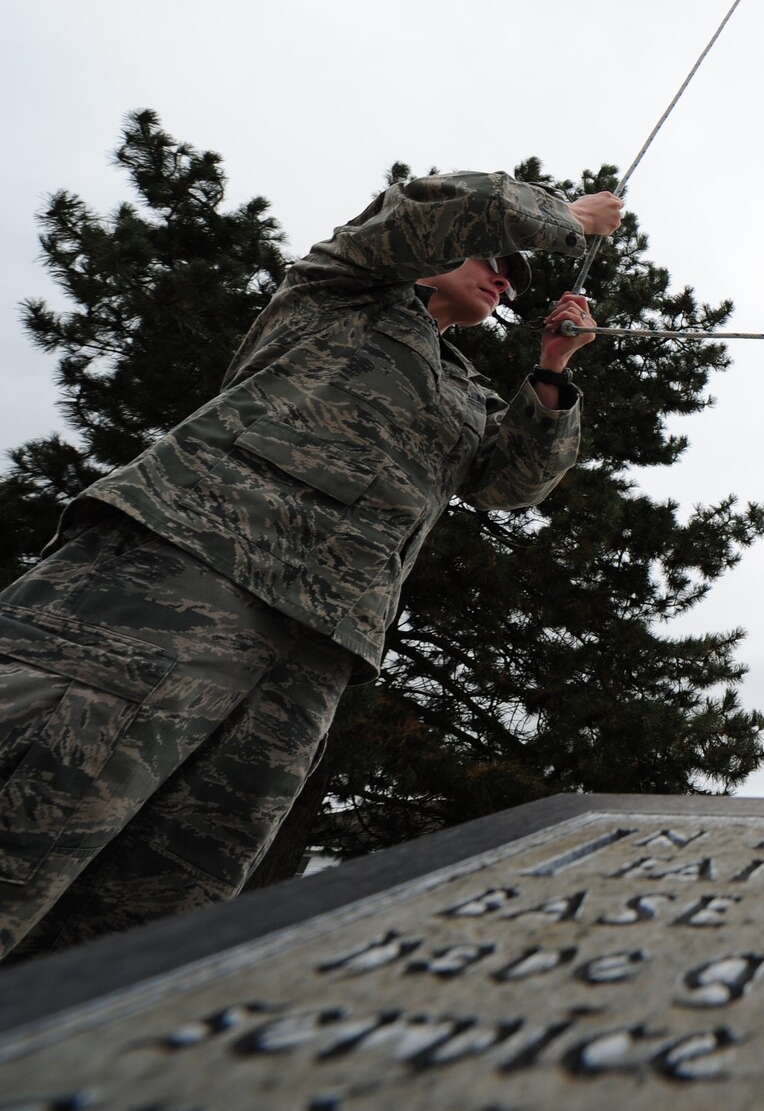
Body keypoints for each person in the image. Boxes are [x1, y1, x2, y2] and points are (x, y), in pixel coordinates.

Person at [0, 170, 620, 961]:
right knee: (32, 809)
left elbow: (507, 483)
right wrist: (564, 219)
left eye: (514, 269)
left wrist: (553, 369)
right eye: (491, 255)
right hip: (182, 578)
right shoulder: (341, 289)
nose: (506, 274)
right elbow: (429, 205)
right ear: (427, 259)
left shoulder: (461, 391)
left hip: (313, 651)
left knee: (162, 901)